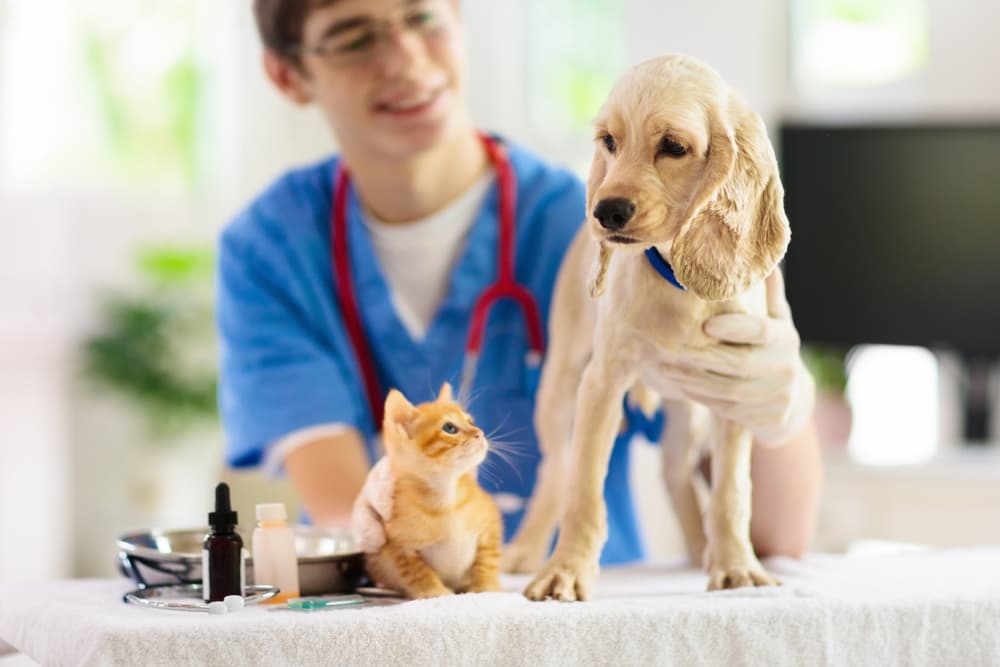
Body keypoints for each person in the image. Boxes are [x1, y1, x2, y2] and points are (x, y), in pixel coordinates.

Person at [217, 0, 822, 566]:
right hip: (402, 607)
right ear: (287, 74)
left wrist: (782, 413)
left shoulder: (600, 221)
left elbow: (778, 540)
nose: (405, 58)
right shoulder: (271, 248)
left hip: (591, 615)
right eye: (353, 38)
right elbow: (358, 520)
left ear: (459, 19)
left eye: (423, 17)